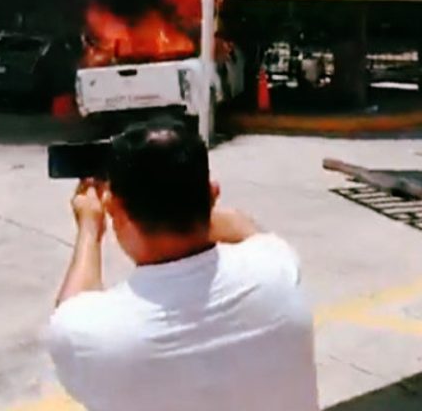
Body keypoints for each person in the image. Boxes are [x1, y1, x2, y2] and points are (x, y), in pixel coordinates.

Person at [46, 118, 318, 411]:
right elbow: (241, 225)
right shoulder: (278, 268)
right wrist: (187, 201)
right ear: (213, 194)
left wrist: (90, 229)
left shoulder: (94, 334)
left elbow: (71, 309)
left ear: (115, 210)